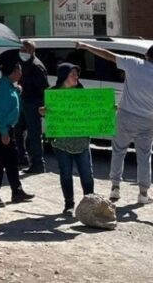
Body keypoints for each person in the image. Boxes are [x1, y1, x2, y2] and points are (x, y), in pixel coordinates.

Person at [76, 42, 153, 204]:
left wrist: (86, 46)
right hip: (147, 119)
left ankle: (115, 188)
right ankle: (143, 193)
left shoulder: (134, 63)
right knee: (144, 156)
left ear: (147, 56)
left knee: (118, 151)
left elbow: (108, 55)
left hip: (125, 115)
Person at [40, 63, 94, 216]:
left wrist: (108, 109)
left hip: (81, 141)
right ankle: (69, 204)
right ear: (64, 76)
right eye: (73, 74)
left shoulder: (82, 93)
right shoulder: (53, 93)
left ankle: (89, 203)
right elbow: (46, 112)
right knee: (65, 174)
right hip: (61, 142)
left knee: (87, 174)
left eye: (77, 74)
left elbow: (92, 112)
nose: (76, 77)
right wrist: (42, 111)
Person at [0, 61, 34, 207]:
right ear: (13, 71)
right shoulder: (2, 87)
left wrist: (17, 91)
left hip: (9, 128)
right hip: (1, 130)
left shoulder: (9, 86)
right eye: (19, 70)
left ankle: (16, 191)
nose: (20, 73)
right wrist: (3, 132)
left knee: (11, 162)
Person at [18, 40, 49, 174]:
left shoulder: (37, 66)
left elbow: (44, 88)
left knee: (34, 135)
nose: (22, 53)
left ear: (32, 51)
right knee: (17, 130)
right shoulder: (24, 63)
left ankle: (38, 164)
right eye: (21, 50)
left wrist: (41, 107)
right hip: (23, 101)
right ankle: (23, 158)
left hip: (33, 103)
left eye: (25, 50)